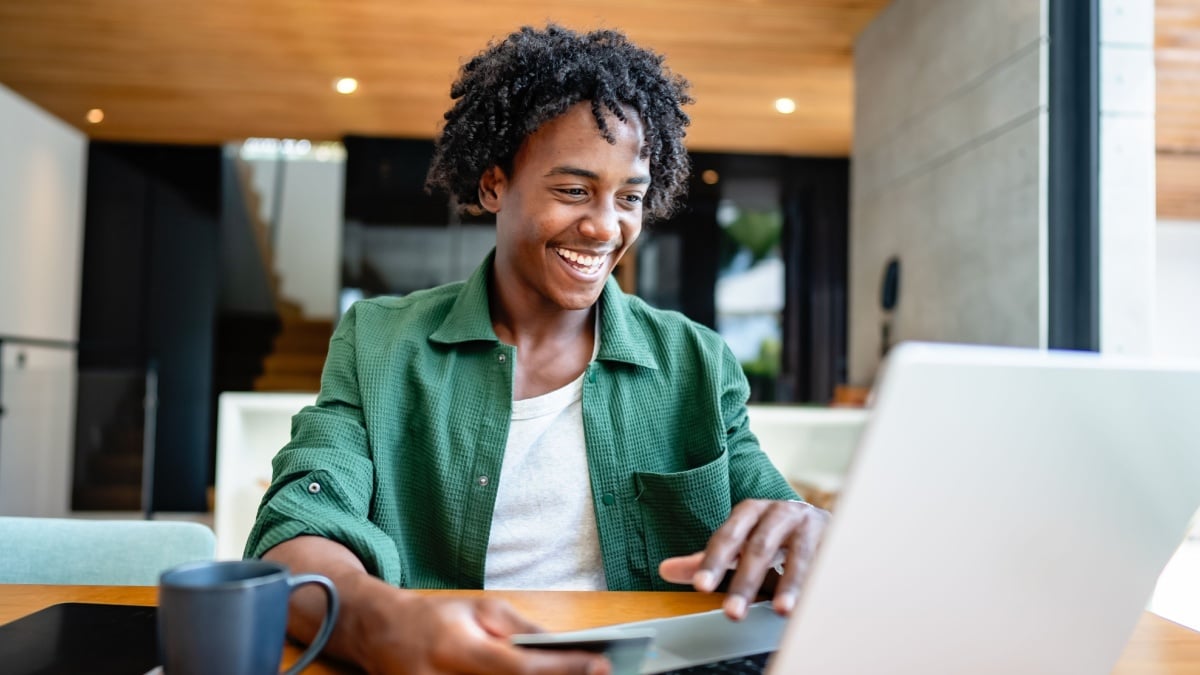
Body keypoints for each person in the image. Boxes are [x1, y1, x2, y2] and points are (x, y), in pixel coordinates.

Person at [246, 24, 830, 675]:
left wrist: (808, 531)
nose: (606, 226)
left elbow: (780, 528)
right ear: (494, 185)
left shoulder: (696, 362)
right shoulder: (380, 341)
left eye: (629, 197)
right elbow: (295, 531)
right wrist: (386, 622)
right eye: (574, 190)